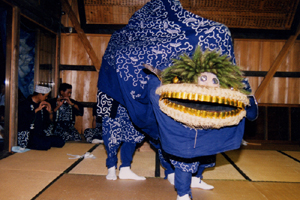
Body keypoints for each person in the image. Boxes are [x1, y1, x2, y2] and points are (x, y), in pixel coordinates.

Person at [97, 91, 146, 180]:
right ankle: (111, 167)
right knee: (111, 132)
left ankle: (126, 168)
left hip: (133, 92)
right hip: (113, 93)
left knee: (133, 131)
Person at [17, 85, 65, 150]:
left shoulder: (43, 103)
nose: (46, 98)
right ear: (40, 94)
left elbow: (50, 122)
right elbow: (23, 120)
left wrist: (50, 112)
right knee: (45, 144)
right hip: (28, 134)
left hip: (40, 133)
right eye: (46, 96)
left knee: (60, 141)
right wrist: (37, 109)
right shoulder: (25, 104)